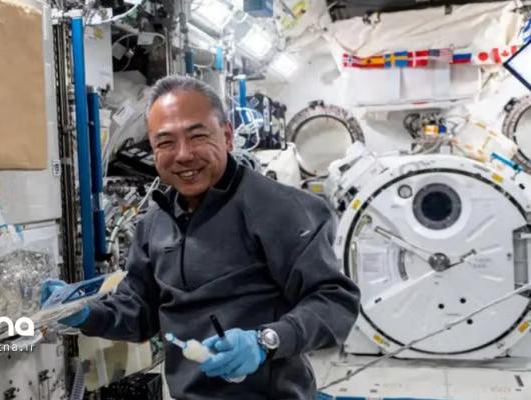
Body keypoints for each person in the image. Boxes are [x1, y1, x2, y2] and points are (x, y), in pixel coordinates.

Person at [41, 75, 360, 399]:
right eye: (166, 142)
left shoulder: (282, 209)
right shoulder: (154, 224)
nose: (183, 155)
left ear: (227, 136)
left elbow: (335, 301)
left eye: (197, 136)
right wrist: (82, 312)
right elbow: (138, 311)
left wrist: (266, 341)